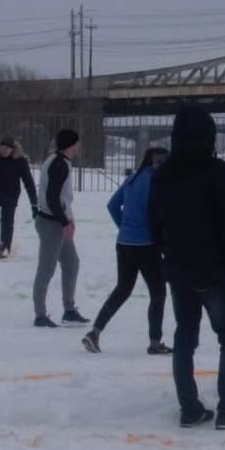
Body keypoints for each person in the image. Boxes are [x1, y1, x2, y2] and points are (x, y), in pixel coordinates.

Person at [146, 106, 225, 432]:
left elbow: (154, 224)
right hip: (215, 270)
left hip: (179, 270)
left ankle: (189, 408)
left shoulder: (163, 174)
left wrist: (167, 252)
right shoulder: (216, 171)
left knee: (185, 338)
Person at [84, 144, 170, 355]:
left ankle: (94, 332)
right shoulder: (156, 182)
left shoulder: (132, 179)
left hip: (124, 243)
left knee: (122, 289)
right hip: (146, 244)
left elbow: (113, 205)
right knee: (158, 292)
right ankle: (155, 342)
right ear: (158, 161)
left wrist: (124, 226)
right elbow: (159, 214)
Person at [32, 128, 86, 328]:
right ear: (72, 145)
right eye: (77, 143)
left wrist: (67, 219)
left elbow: (60, 198)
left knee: (71, 263)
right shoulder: (59, 165)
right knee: (46, 269)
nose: (79, 147)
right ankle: (40, 315)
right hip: (51, 223)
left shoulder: (58, 160)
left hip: (57, 220)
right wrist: (64, 222)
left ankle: (69, 310)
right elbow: (52, 198)